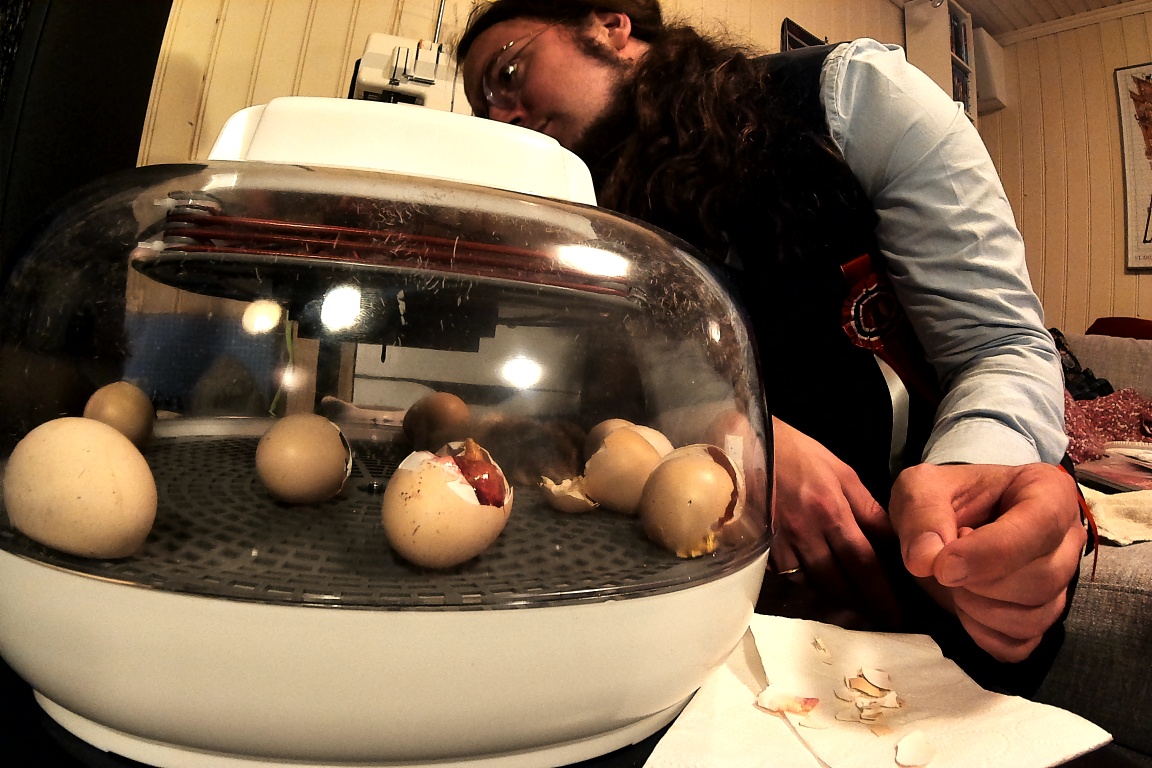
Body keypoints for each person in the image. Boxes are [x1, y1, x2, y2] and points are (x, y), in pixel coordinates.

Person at [455, 0, 1088, 694]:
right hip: (716, 597)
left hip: (915, 572)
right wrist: (739, 439)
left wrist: (969, 482)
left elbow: (999, 344)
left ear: (610, 25)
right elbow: (642, 393)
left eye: (508, 74)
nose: (503, 117)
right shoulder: (593, 219)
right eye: (486, 112)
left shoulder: (855, 97)